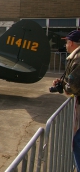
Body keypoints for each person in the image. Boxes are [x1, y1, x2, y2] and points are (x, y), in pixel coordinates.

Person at [52, 30, 80, 170]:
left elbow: (73, 87)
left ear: (72, 43)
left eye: (67, 42)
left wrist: (66, 87)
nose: (66, 45)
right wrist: (63, 83)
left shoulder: (78, 58)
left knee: (78, 143)